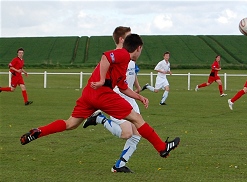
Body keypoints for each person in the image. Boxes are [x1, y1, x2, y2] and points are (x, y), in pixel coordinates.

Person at [19, 34, 180, 170]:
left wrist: (139, 97)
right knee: (137, 119)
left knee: (71, 124)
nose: (140, 52)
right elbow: (106, 57)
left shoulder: (123, 64)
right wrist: (103, 79)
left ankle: (38, 132)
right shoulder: (124, 54)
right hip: (103, 94)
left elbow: (123, 86)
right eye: (141, 50)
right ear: (138, 48)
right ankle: (162, 147)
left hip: (89, 94)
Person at [82, 26, 143, 173]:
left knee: (137, 133)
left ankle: (119, 165)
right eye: (129, 36)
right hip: (116, 97)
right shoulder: (114, 57)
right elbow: (103, 68)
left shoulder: (131, 58)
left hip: (130, 98)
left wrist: (138, 87)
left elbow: (131, 74)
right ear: (122, 39)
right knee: (127, 133)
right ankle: (99, 119)